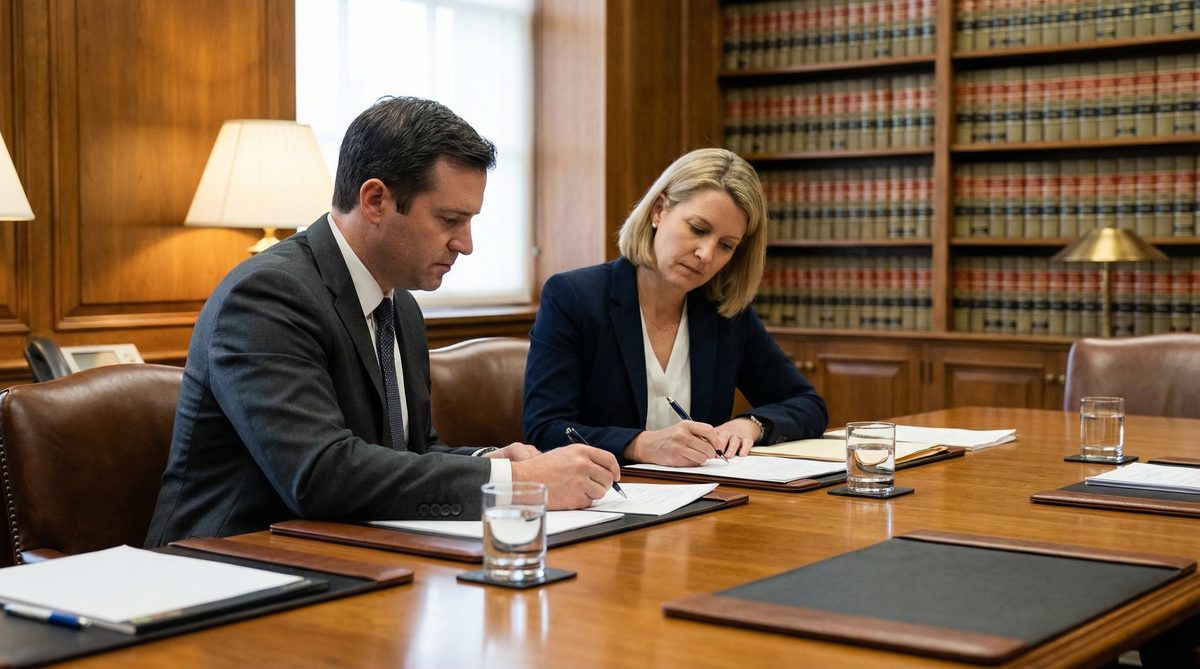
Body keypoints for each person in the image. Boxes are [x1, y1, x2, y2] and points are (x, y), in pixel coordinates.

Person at [146, 97, 619, 547]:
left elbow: (412, 450)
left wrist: (490, 461)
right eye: (450, 219)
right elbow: (319, 475)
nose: (466, 244)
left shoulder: (400, 304)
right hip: (229, 571)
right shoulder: (267, 296)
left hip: (351, 555)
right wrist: (513, 482)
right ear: (374, 200)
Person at [523, 148, 827, 466]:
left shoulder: (725, 314)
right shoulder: (573, 297)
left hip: (706, 500)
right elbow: (544, 430)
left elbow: (807, 404)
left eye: (726, 245)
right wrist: (640, 444)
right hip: (605, 499)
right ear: (658, 210)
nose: (706, 255)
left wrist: (750, 425)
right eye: (697, 229)